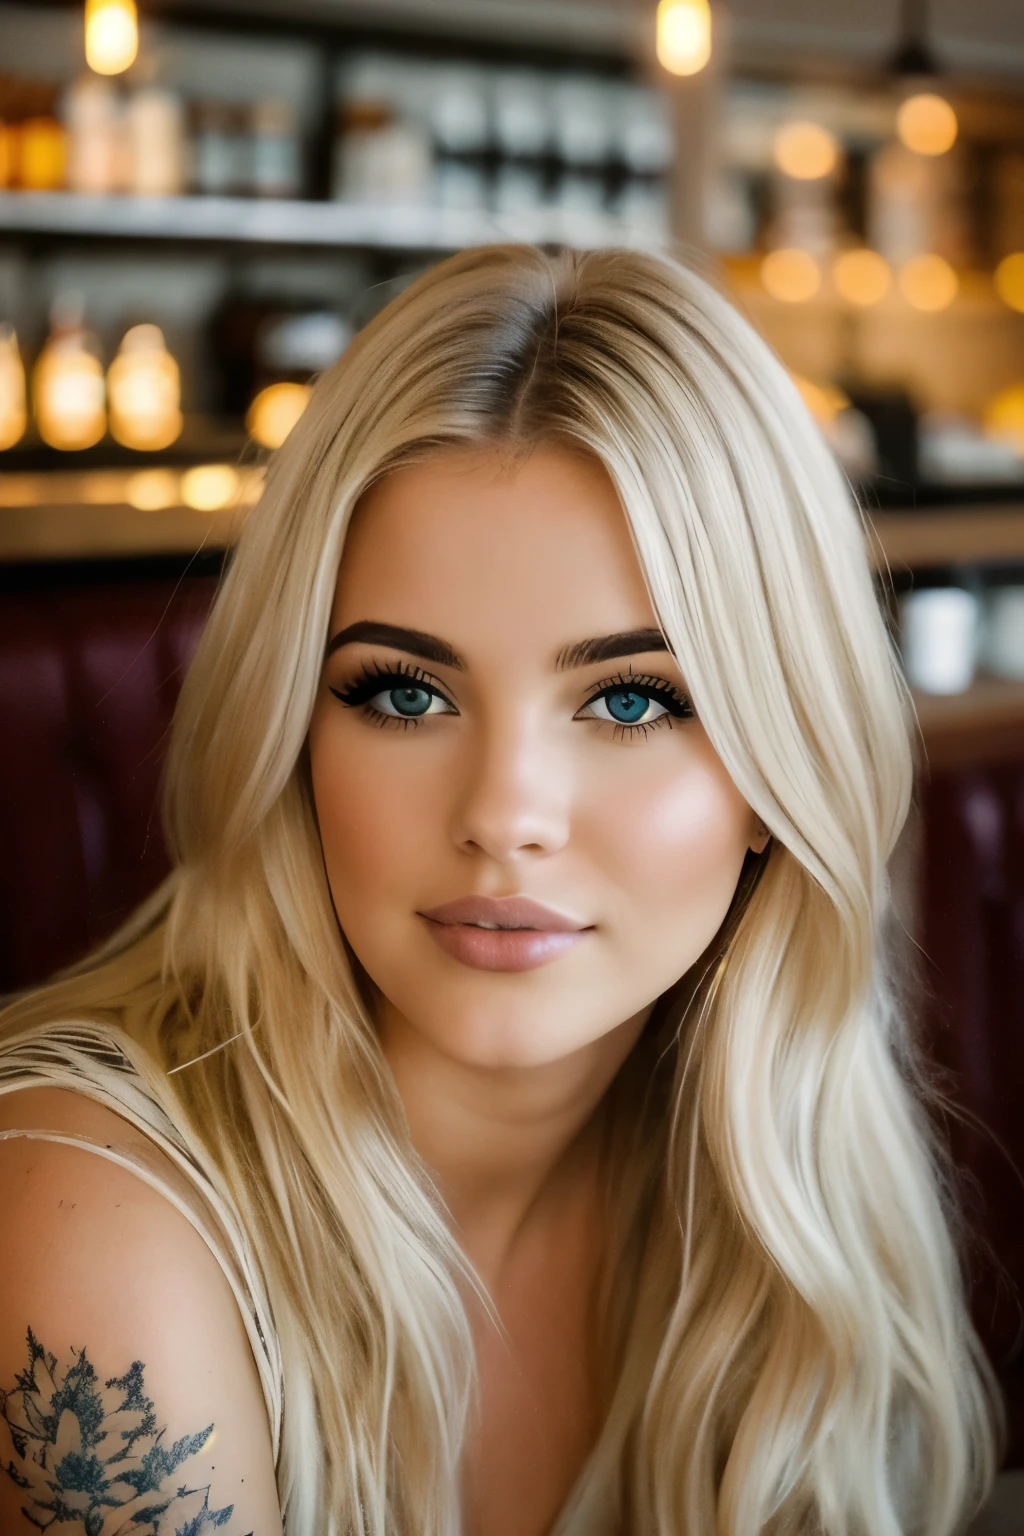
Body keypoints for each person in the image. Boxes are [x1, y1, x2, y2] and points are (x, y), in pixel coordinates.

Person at [0, 244, 1000, 1536]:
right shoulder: (94, 1227)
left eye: (632, 699)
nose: (504, 818)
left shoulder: (790, 1186)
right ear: (294, 736)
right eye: (404, 694)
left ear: (776, 772)